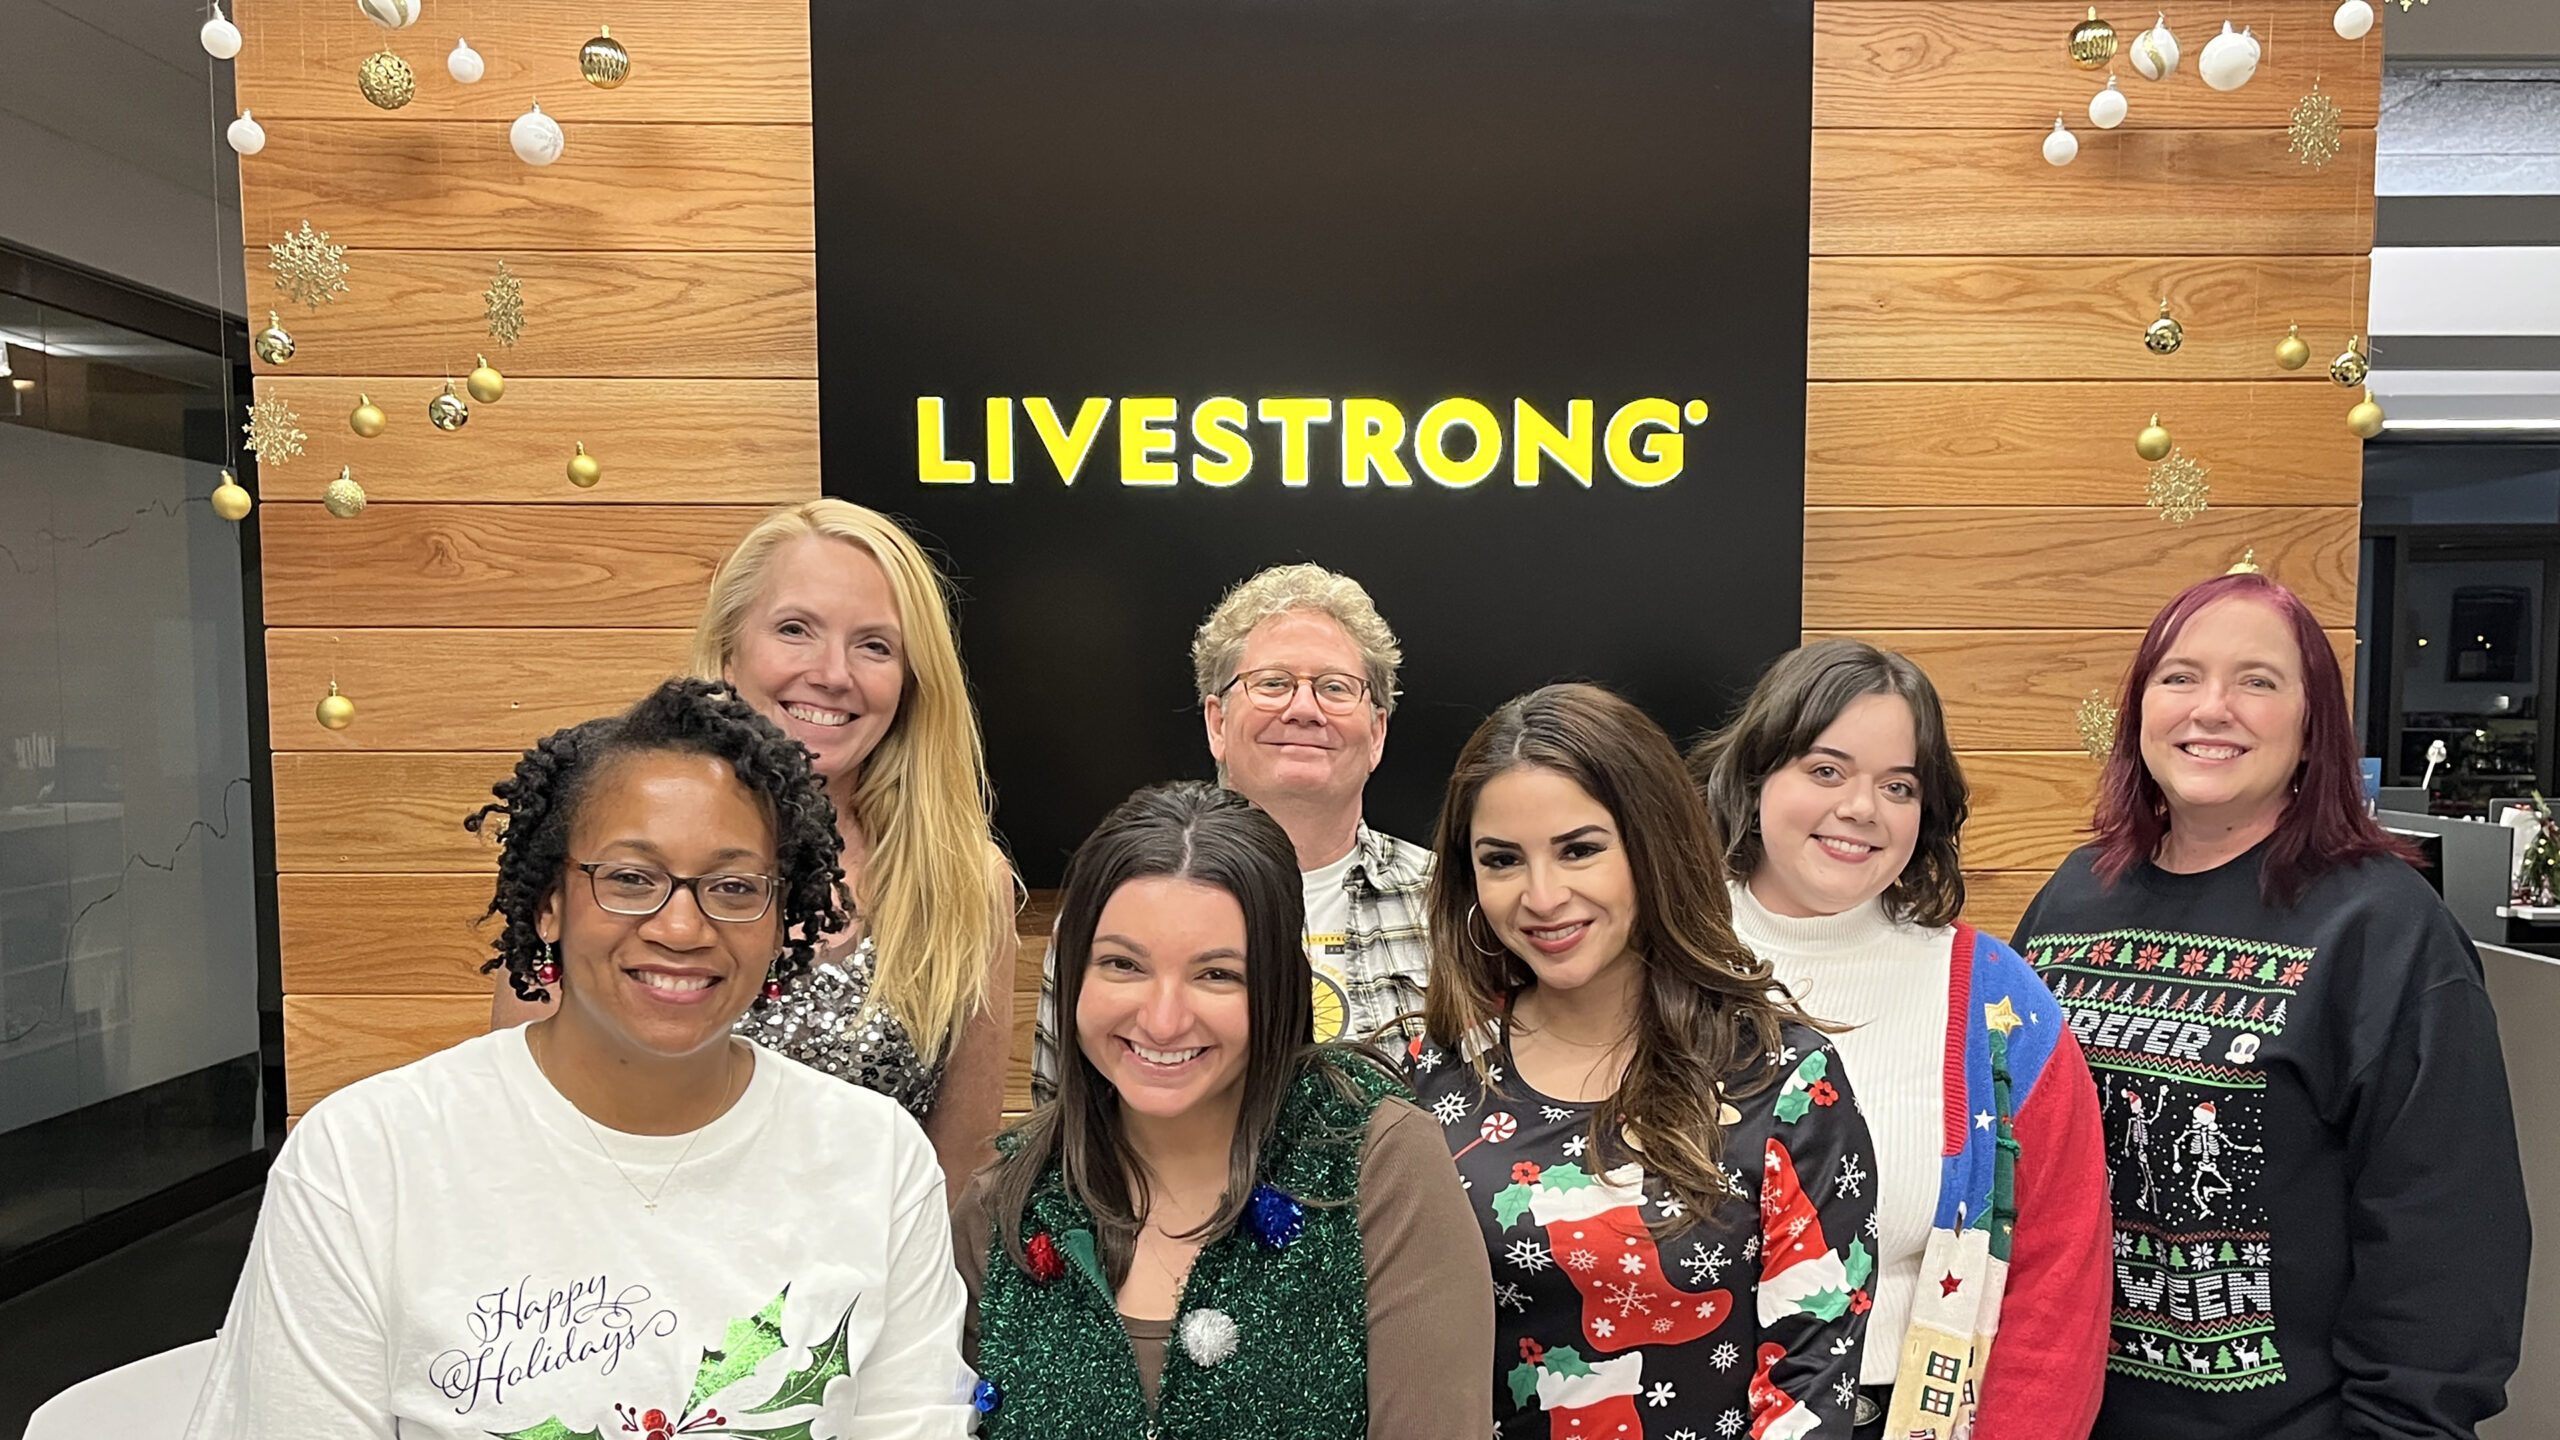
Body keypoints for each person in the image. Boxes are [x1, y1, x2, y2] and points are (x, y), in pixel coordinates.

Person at [187, 679, 970, 1439]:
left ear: (779, 919)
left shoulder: (877, 1158)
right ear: (550, 902)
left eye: (733, 887)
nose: (682, 927)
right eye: (631, 878)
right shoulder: (365, 1159)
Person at [2012, 568, 2530, 1440]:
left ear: (2311, 723)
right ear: (2142, 708)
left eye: (2258, 680)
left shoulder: (2384, 927)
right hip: (2058, 1414)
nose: (2212, 708)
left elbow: (2446, 1243)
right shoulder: (2074, 898)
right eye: (2179, 677)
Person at [495, 500, 1018, 1194]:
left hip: (858, 1292)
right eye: (796, 629)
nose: (833, 673)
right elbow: (519, 1116)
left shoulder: (962, 882)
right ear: (729, 647)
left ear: (912, 681)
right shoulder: (600, 840)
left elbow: (957, 1182)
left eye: (875, 645)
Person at [954, 781, 1492, 1438]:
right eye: (1124, 964)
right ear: (1071, 978)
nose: (1162, 1018)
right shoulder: (1005, 1206)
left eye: (1216, 974)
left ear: (1277, 986)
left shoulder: (1378, 1158)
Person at [1409, 683, 1874, 1440]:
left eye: (1580, 849)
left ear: (1653, 846)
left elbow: (1810, 1384)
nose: (1542, 895)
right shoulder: (1432, 1072)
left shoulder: (1785, 1082)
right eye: (1502, 860)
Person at [1693, 639, 2109, 1439]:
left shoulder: (1996, 1000)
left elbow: (2058, 1278)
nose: (1861, 808)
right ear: (1754, 775)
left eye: (1898, 786)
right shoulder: (1651, 956)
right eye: (1825, 770)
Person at [1033, 564, 1429, 1100]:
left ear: (1377, 732)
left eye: (1335, 688)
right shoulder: (1114, 902)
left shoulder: (1448, 901)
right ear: (1217, 722)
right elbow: (1059, 1121)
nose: (1304, 709)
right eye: (1273, 684)